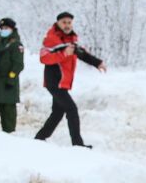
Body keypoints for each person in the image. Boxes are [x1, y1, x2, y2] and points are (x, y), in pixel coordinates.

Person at [34, 11, 105, 147]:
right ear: (58, 23)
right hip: (54, 82)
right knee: (71, 109)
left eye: (69, 22)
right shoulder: (51, 39)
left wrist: (98, 63)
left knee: (58, 112)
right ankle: (78, 145)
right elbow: (44, 58)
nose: (67, 25)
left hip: (63, 83)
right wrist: (63, 54)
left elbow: (82, 54)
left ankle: (39, 139)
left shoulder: (71, 39)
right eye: (64, 22)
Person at [0, 18, 24, 133]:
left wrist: (11, 78)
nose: (3, 30)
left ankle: (10, 134)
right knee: (1, 108)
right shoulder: (0, 43)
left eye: (6, 28)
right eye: (2, 28)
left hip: (8, 83)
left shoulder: (16, 44)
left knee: (8, 112)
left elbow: (18, 64)